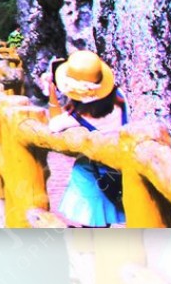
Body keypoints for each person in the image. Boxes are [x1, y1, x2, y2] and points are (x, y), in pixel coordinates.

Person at [44, 50, 128, 227]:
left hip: (96, 173)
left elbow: (54, 126)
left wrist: (52, 92)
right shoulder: (119, 98)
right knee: (101, 219)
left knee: (91, 216)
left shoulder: (82, 115)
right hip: (117, 170)